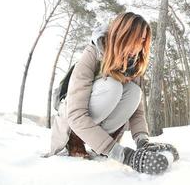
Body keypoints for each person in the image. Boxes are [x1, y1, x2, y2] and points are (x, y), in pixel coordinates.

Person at [44, 12, 179, 175]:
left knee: (135, 93)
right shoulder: (93, 53)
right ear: (121, 34)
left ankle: (99, 143)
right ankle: (75, 141)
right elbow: (76, 114)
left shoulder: (134, 64)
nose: (138, 47)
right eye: (134, 39)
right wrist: (124, 156)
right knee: (113, 87)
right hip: (74, 119)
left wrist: (143, 141)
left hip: (99, 124)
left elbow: (137, 110)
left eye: (143, 40)